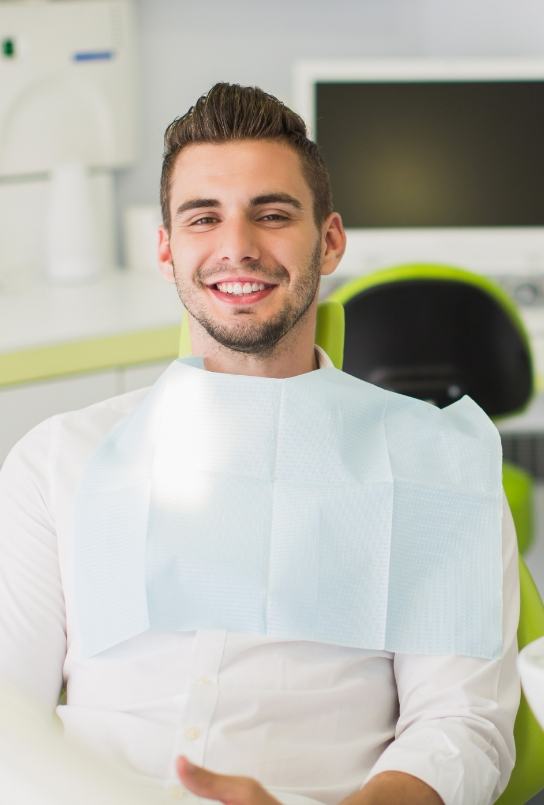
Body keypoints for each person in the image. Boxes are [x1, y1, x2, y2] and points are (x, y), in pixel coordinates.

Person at [0, 83, 519, 805]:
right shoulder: (59, 459)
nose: (237, 247)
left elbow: (461, 727)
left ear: (329, 239)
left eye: (271, 214)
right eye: (203, 217)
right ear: (166, 249)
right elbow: (6, 718)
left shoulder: (434, 463)